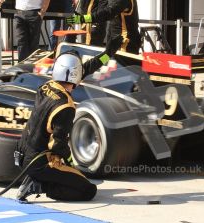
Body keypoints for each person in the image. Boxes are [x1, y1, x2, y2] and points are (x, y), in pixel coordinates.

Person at [15, 35, 123, 202]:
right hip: (41, 162)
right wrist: (71, 164)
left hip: (22, 152)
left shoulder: (45, 86)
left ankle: (38, 178)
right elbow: (58, 145)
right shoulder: (66, 106)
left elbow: (86, 68)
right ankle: (39, 185)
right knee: (88, 190)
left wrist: (108, 53)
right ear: (74, 75)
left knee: (73, 177)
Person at [66, 0, 141, 54]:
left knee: (120, 73)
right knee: (101, 65)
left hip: (125, 45)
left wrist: (83, 19)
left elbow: (107, 13)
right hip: (114, 43)